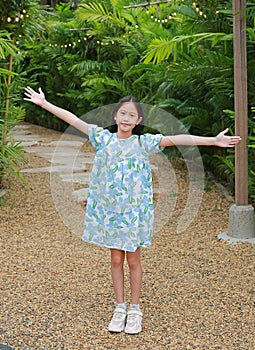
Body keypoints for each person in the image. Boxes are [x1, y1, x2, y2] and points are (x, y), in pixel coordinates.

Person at [24, 86, 241, 334]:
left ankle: (135, 309)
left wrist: (213, 140)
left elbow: (179, 139)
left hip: (134, 215)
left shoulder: (144, 143)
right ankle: (120, 307)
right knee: (116, 259)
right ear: (115, 116)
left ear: (138, 121)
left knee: (133, 259)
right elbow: (73, 118)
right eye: (122, 113)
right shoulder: (102, 138)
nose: (126, 119)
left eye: (131, 115)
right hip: (110, 214)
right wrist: (44, 103)